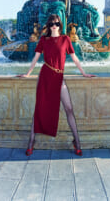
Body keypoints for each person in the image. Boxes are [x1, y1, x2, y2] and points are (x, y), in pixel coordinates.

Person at [17, 14, 96, 156]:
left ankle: (76, 142)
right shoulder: (44, 40)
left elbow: (74, 58)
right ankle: (31, 142)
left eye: (57, 23)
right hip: (46, 76)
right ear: (48, 25)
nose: (55, 25)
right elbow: (35, 58)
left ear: (60, 25)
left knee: (69, 108)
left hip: (59, 77)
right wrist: (28, 73)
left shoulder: (65, 39)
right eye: (52, 23)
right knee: (39, 109)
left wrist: (84, 73)